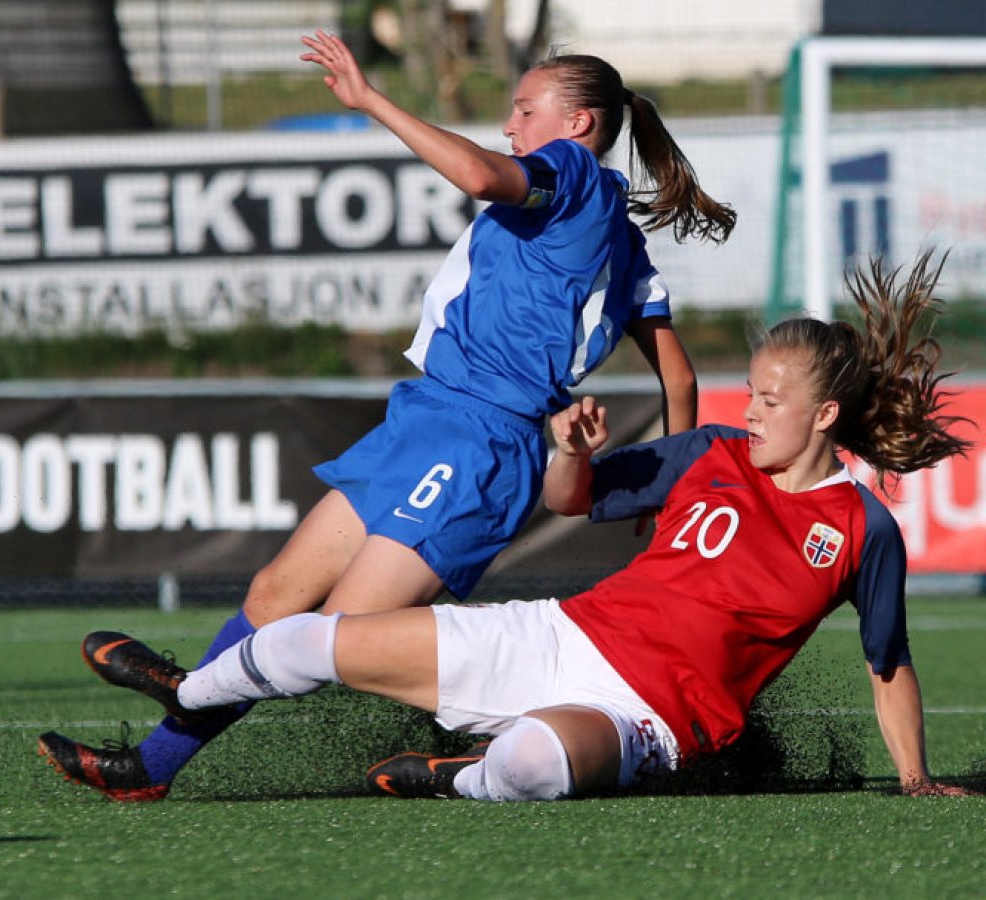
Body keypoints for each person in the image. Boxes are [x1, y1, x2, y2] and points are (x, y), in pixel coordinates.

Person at [38, 30, 735, 800]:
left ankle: (508, 737)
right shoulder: (614, 233)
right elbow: (679, 374)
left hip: (483, 440)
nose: (510, 126)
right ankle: (150, 767)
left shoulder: (570, 172)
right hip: (427, 415)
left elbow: (475, 172)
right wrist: (671, 483)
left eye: (524, 109)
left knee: (339, 631)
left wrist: (369, 100)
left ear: (577, 126)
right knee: (275, 599)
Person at [67, 252, 977, 801]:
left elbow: (886, 662)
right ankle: (187, 696)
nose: (753, 407)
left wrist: (913, 778)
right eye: (752, 387)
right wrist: (573, 453)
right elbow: (572, 500)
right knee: (311, 635)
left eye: (774, 399)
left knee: (536, 762)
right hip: (556, 634)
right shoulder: (707, 453)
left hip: (647, 719)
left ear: (824, 418)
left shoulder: (861, 529)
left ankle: (459, 776)